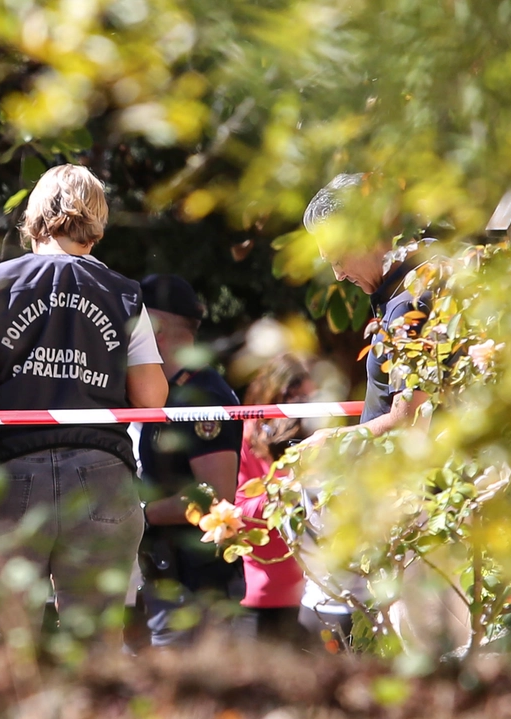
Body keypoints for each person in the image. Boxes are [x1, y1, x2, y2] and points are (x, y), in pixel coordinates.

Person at [0, 163, 169, 650]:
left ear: (34, 217)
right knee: (95, 646)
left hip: (10, 477)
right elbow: (153, 398)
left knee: (7, 640)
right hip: (103, 475)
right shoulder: (125, 294)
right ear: (97, 221)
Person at [295, 172, 435, 649]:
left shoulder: (412, 299)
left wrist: (336, 441)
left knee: (416, 643)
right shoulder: (409, 288)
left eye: (336, 254)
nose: (336, 272)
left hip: (422, 512)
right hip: (413, 512)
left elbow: (410, 414)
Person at [131, 274, 243, 648]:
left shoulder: (200, 397)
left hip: (195, 584)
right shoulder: (171, 394)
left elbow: (215, 497)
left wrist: (140, 514)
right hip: (169, 576)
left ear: (154, 329)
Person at [232, 354, 314, 646]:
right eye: (295, 397)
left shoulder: (315, 438)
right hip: (257, 592)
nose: (302, 406)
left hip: (307, 590)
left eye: (308, 398)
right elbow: (237, 512)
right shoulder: (245, 438)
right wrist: (284, 491)